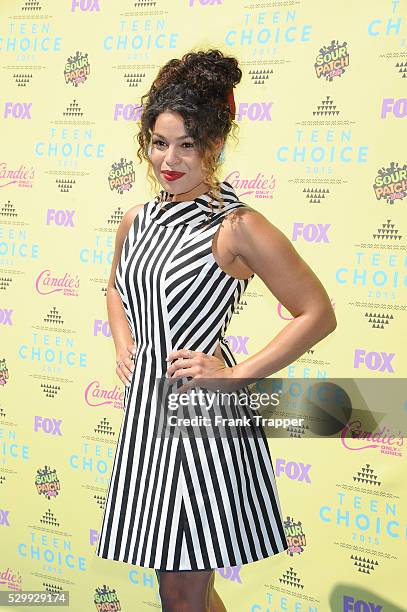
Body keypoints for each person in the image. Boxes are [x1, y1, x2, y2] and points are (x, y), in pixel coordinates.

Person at [95, 49, 337, 611]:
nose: (169, 159)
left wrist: (236, 375)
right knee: (181, 587)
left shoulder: (238, 226)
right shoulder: (138, 218)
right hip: (148, 418)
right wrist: (126, 344)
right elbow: (115, 287)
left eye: (186, 144)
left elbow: (317, 312)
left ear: (216, 144)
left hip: (201, 421)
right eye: (159, 142)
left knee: (182, 590)